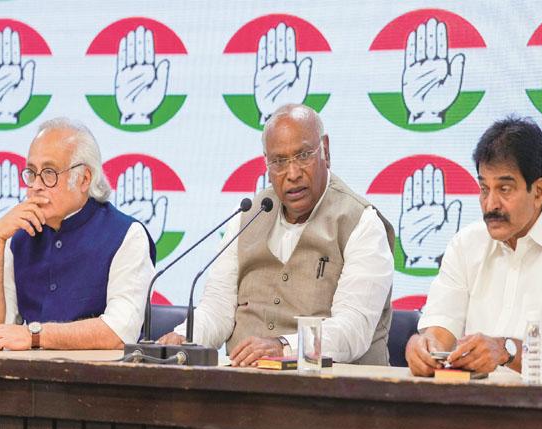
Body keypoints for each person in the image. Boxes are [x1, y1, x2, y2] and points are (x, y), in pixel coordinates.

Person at [158, 104, 395, 366]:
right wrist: (184, 338)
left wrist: (284, 347)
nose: (292, 174)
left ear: (325, 150)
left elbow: (353, 329)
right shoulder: (248, 215)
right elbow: (217, 308)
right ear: (267, 164)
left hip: (331, 393)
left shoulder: (361, 222)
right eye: (279, 162)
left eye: (303, 155)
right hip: (243, 389)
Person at [406, 116, 542, 377]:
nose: (490, 204)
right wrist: (425, 348)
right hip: (486, 407)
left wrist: (504, 350)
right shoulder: (465, 244)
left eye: (504, 189)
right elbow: (440, 329)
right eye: (484, 188)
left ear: (537, 192)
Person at [0, 118, 156, 350]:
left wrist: (34, 335)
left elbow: (119, 332)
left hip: (99, 381)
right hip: (27, 379)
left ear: (84, 179)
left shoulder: (126, 235)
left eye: (49, 172)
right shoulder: (19, 235)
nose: (36, 185)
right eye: (31, 173)